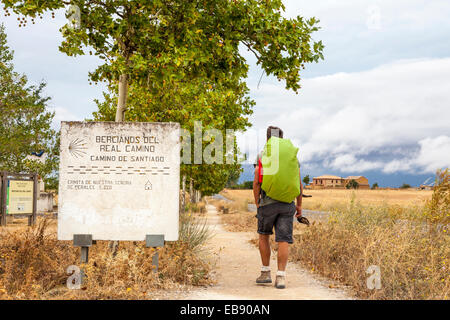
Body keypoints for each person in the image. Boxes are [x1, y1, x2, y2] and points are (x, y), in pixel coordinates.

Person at [253, 126, 303, 289]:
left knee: (264, 236)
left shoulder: (262, 155)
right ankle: (280, 277)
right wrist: (300, 205)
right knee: (283, 240)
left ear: (268, 139)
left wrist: (257, 202)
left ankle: (265, 272)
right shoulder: (292, 158)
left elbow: (256, 182)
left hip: (267, 204)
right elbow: (298, 183)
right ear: (281, 138)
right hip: (287, 204)